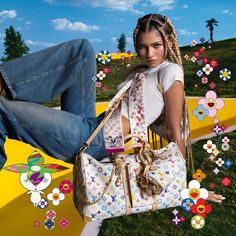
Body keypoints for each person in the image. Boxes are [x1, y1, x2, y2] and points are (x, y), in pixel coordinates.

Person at [0, 14, 224, 203]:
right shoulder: (141, 71)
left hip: (93, 141)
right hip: (92, 125)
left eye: (157, 45)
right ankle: (6, 80)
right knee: (83, 49)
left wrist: (189, 188)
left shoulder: (171, 72)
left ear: (169, 42)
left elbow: (176, 131)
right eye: (143, 47)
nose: (150, 53)